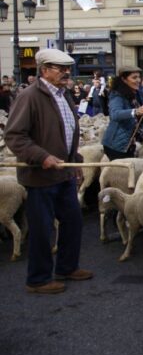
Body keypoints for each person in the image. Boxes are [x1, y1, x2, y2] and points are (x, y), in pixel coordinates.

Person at [5, 49, 90, 294]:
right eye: (59, 68)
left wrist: (76, 160)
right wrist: (42, 156)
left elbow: (66, 133)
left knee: (73, 221)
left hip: (64, 172)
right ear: (44, 70)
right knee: (42, 228)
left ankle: (66, 267)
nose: (66, 73)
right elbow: (14, 136)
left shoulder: (64, 96)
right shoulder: (30, 96)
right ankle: (38, 279)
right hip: (41, 176)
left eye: (67, 68)